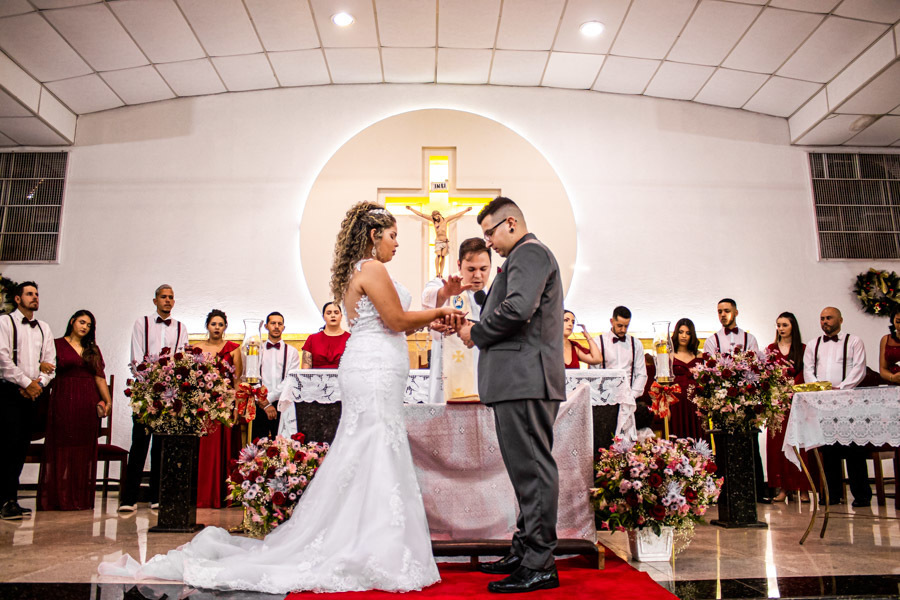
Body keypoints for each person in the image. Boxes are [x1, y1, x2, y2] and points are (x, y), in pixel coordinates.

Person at [100, 201, 461, 592]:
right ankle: (370, 544)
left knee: (370, 448)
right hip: (373, 369)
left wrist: (441, 304)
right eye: (393, 236)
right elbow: (396, 321)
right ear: (374, 236)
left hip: (376, 364)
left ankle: (366, 539)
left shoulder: (362, 270)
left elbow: (397, 326)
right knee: (374, 445)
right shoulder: (371, 267)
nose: (396, 244)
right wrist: (445, 313)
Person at [456, 196, 565, 593]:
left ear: (513, 224)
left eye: (490, 233)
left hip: (526, 379)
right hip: (518, 380)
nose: (487, 243)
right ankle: (525, 549)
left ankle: (540, 562)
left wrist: (477, 333)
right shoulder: (521, 256)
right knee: (525, 470)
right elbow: (512, 307)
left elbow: (519, 308)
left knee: (533, 469)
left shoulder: (529, 253)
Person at [119, 285, 188, 513]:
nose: (167, 301)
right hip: (146, 389)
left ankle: (157, 496)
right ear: (155, 300)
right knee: (139, 442)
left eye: (171, 298)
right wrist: (150, 382)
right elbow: (136, 356)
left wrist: (169, 385)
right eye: (163, 297)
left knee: (161, 444)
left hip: (169, 393)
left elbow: (182, 359)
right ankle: (128, 498)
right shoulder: (142, 323)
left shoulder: (180, 327)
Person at [38, 310, 111, 511]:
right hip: (63, 398)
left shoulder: (92, 349)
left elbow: (99, 376)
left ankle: (79, 497)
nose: (85, 327)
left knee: (82, 448)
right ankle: (58, 497)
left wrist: (107, 400)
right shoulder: (56, 344)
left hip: (87, 402)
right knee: (61, 446)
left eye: (89, 325)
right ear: (72, 321)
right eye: (81, 322)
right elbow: (46, 368)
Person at [803, 306, 870, 507]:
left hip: (848, 402)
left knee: (854, 449)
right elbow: (809, 370)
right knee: (829, 450)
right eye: (822, 318)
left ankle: (861, 495)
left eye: (829, 318)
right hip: (824, 404)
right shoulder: (813, 344)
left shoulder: (854, 341)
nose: (825, 321)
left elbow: (859, 368)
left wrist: (841, 388)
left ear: (840, 320)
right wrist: (819, 390)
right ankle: (832, 494)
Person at [0, 282, 56, 520]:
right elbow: (3, 359)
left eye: (37, 294)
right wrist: (26, 383)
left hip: (34, 395)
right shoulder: (5, 322)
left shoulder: (44, 327)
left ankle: (12, 499)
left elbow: (50, 362)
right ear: (18, 298)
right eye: (30, 294)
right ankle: (4, 500)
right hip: (9, 393)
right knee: (6, 447)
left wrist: (39, 384)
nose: (35, 298)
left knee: (20, 447)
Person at [702, 298, 766, 502]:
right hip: (723, 401)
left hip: (745, 400)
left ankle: (755, 491)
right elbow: (710, 370)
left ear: (736, 312)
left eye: (726, 311)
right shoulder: (713, 341)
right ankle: (725, 492)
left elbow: (756, 366)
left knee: (749, 443)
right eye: (719, 311)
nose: (723, 315)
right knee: (723, 444)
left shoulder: (749, 338)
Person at [421, 237, 491, 403]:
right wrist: (446, 293)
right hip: (448, 375)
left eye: (483, 268)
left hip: (484, 374)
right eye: (471, 269)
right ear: (459, 265)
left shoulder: (495, 294)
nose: (478, 275)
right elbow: (428, 298)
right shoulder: (443, 284)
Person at [193, 309, 242, 509]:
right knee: (205, 451)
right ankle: (203, 495)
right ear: (207, 326)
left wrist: (237, 406)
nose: (217, 328)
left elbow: (238, 379)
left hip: (225, 405)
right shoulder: (196, 348)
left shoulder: (233, 349)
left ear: (225, 327)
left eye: (220, 324)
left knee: (225, 449)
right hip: (204, 405)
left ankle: (225, 495)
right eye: (213, 324)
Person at [765, 312, 810, 503]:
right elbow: (766, 373)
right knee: (778, 445)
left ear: (793, 327)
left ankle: (803, 487)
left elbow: (806, 372)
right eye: (778, 325)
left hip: (796, 401)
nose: (781, 328)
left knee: (798, 444)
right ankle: (782, 487)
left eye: (785, 325)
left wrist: (792, 387)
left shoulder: (803, 348)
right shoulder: (771, 349)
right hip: (777, 403)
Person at [589, 306, 647, 437]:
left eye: (626, 326)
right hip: (606, 401)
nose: (623, 330)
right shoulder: (598, 342)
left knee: (628, 440)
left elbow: (641, 374)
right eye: (620, 325)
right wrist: (604, 396)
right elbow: (594, 374)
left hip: (629, 399)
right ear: (611, 321)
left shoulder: (636, 344)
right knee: (606, 437)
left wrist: (631, 396)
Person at [259, 311, 300, 440]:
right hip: (259, 405)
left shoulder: (292, 352)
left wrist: (269, 399)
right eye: (273, 323)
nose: (276, 326)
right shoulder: (256, 349)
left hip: (283, 404)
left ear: (283, 327)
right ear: (266, 326)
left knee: (282, 446)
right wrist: (265, 404)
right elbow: (253, 378)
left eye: (279, 324)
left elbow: (290, 379)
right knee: (258, 444)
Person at [406, 205, 472, 277]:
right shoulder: (433, 221)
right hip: (438, 241)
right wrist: (411, 209)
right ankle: (437, 272)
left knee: (443, 256)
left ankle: (441, 273)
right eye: (434, 216)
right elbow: (421, 215)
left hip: (445, 241)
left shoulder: (445, 220)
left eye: (436, 216)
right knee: (438, 255)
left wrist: (466, 210)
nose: (435, 218)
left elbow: (456, 215)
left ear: (439, 215)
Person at [669, 318, 706, 441]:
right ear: (676, 334)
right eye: (681, 332)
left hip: (696, 404)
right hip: (676, 404)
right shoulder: (669, 355)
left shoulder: (699, 356)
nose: (684, 336)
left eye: (688, 333)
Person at [301, 302, 350, 369]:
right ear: (323, 317)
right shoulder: (312, 339)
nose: (333, 316)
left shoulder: (350, 339)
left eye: (336, 313)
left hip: (344, 378)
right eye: (329, 313)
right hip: (315, 378)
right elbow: (305, 370)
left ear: (341, 316)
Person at [878, 306, 900, 385]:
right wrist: (892, 377)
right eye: (898, 322)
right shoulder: (886, 339)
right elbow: (883, 368)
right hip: (892, 384)